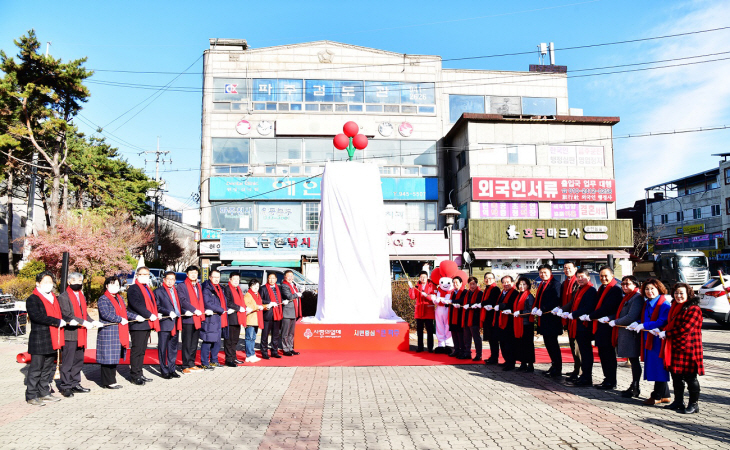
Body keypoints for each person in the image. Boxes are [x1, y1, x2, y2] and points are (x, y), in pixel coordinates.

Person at [660, 283, 704, 414]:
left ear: (688, 294)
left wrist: (667, 333)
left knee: (691, 377)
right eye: (676, 293)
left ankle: (694, 404)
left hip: (689, 348)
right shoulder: (675, 307)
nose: (678, 296)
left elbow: (685, 329)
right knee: (676, 376)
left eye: (681, 293)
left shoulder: (694, 309)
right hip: (675, 346)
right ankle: (678, 401)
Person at [628, 278, 671, 405]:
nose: (649, 291)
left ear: (659, 289)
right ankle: (665, 395)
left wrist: (645, 325)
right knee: (655, 367)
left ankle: (657, 395)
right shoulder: (648, 303)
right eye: (647, 289)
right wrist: (638, 323)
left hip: (658, 339)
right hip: (649, 338)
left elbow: (662, 321)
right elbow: (645, 318)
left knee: (659, 367)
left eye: (652, 288)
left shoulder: (663, 304)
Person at [25, 271, 66, 406]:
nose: (49, 285)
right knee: (36, 368)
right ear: (38, 283)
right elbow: (37, 317)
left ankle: (44, 393)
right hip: (39, 338)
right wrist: (56, 321)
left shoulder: (54, 297)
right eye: (45, 282)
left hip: (53, 337)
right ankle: (31, 394)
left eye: (50, 282)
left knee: (48, 368)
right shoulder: (33, 299)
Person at [58, 272, 98, 397]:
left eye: (80, 281)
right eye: (75, 281)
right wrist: (84, 322)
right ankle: (66, 386)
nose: (78, 284)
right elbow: (67, 315)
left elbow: (84, 313)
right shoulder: (64, 296)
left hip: (81, 333)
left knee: (78, 361)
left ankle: (75, 383)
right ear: (69, 282)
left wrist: (92, 321)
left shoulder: (81, 296)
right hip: (70, 333)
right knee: (68, 361)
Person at [97, 276, 136, 389]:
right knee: (107, 358)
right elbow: (106, 314)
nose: (115, 287)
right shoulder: (103, 299)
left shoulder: (119, 298)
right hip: (108, 332)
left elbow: (126, 313)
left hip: (118, 332)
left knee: (113, 358)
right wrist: (119, 319)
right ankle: (108, 382)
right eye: (112, 284)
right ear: (106, 285)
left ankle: (111, 380)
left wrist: (136, 317)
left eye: (117, 285)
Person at [589, 266, 623, 390]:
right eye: (601, 276)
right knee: (603, 354)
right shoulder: (602, 288)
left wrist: (591, 316)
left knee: (609, 355)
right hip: (600, 325)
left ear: (612, 276)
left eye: (606, 276)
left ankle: (611, 380)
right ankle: (606, 378)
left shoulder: (615, 289)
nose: (603, 278)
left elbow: (608, 307)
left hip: (608, 327)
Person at [609, 276, 644, 398]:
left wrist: (616, 321)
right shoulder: (627, 297)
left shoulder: (637, 298)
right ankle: (634, 385)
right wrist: (611, 318)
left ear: (635, 285)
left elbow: (631, 317)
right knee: (633, 360)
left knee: (634, 361)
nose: (624, 286)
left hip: (632, 334)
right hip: (625, 333)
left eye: (627, 284)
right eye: (623, 284)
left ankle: (635, 386)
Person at [562, 268, 597, 387]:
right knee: (583, 351)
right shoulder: (579, 290)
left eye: (583, 277)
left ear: (588, 278)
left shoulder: (591, 290)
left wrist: (574, 314)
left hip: (584, 325)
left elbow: (589, 307)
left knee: (586, 353)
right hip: (577, 325)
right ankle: (584, 376)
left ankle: (587, 377)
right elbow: (573, 304)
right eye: (578, 277)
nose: (580, 279)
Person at [126, 266, 159, 385]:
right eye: (142, 274)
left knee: (142, 351)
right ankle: (135, 375)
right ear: (137, 275)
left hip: (146, 323)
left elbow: (151, 303)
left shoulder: (147, 288)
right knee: (137, 350)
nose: (145, 276)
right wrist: (149, 314)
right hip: (138, 324)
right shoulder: (133, 289)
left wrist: (154, 313)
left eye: (147, 274)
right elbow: (136, 304)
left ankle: (139, 373)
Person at [532, 265, 562, 378]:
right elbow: (539, 298)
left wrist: (543, 309)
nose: (542, 274)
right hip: (544, 319)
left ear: (550, 272)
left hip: (552, 319)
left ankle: (557, 368)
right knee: (548, 344)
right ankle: (553, 365)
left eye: (545, 272)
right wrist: (535, 307)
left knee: (553, 344)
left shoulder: (555, 284)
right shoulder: (542, 284)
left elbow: (556, 299)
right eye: (540, 272)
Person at [176, 265, 205, 374]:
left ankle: (191, 363)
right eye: (191, 272)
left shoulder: (198, 285)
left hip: (197, 318)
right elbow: (182, 301)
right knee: (187, 343)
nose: (193, 274)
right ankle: (185, 365)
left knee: (194, 343)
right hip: (188, 318)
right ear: (187, 274)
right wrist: (193, 309)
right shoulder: (182, 286)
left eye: (195, 273)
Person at [154, 271, 182, 379]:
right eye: (168, 279)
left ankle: (172, 369)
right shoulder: (158, 291)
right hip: (165, 323)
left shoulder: (176, 291)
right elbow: (157, 306)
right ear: (164, 280)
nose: (170, 281)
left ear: (175, 281)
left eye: (172, 279)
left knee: (173, 348)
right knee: (162, 348)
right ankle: (164, 370)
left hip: (176, 322)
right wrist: (167, 312)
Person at [200, 270, 229, 369]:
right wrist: (221, 309)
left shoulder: (220, 288)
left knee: (217, 341)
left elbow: (223, 301)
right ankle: (204, 362)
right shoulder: (207, 288)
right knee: (208, 341)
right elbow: (207, 302)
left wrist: (226, 309)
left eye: (218, 277)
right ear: (210, 277)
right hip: (211, 318)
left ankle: (214, 360)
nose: (216, 279)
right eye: (214, 277)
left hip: (220, 318)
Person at [559, 262, 580, 380]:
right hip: (567, 317)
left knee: (577, 347)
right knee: (572, 345)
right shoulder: (565, 282)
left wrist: (562, 309)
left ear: (575, 269)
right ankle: (576, 369)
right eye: (565, 268)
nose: (567, 270)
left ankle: (579, 371)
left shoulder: (577, 282)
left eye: (569, 268)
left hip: (575, 318)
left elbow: (573, 301)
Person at [495, 275, 520, 371]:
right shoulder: (502, 293)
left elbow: (512, 305)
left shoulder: (514, 293)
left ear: (512, 283)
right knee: (502, 342)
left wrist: (501, 306)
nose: (506, 284)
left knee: (509, 343)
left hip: (510, 322)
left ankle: (511, 362)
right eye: (504, 282)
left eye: (508, 282)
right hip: (501, 321)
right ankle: (506, 360)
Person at [513, 277, 535, 372]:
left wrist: (520, 312)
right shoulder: (518, 296)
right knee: (520, 344)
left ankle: (530, 365)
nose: (521, 286)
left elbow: (531, 310)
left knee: (528, 345)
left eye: (524, 284)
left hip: (526, 324)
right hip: (519, 323)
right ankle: (523, 363)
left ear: (528, 285)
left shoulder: (529, 296)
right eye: (520, 284)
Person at [409, 271, 435, 353]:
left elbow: (434, 297)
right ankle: (420, 347)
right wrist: (411, 288)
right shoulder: (417, 286)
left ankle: (430, 347)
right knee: (419, 331)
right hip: (419, 311)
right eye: (421, 277)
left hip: (428, 311)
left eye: (424, 276)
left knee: (429, 331)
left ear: (427, 277)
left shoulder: (432, 286)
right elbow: (413, 297)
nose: (423, 278)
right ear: (419, 278)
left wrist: (427, 296)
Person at [224, 273, 246, 366]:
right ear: (230, 279)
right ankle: (229, 359)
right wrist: (238, 307)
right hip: (231, 317)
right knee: (229, 340)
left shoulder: (238, 289)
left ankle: (234, 357)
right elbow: (227, 301)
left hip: (238, 317)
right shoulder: (227, 289)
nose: (236, 281)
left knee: (235, 340)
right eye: (234, 279)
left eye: (238, 279)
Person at [260, 273, 284, 359]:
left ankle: (274, 351)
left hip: (277, 314)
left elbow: (281, 298)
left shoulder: (279, 288)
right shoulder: (263, 288)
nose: (271, 280)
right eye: (270, 278)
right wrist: (269, 303)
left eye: (273, 278)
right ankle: (264, 352)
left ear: (276, 279)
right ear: (267, 279)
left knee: (276, 335)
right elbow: (260, 300)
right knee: (265, 335)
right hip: (268, 314)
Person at [280, 270, 303, 356]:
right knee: (285, 332)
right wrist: (297, 294)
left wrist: (300, 292)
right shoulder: (284, 285)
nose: (290, 278)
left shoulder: (293, 285)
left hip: (294, 311)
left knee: (291, 333)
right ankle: (285, 349)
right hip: (287, 312)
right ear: (285, 277)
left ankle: (290, 347)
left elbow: (297, 296)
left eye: (291, 276)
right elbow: (289, 296)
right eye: (288, 276)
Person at [480, 273, 501, 365]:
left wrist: (482, 303)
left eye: (490, 278)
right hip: (487, 317)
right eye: (486, 278)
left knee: (494, 339)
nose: (488, 280)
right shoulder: (487, 289)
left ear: (494, 279)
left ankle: (494, 358)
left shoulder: (495, 289)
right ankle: (493, 356)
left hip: (493, 317)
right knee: (491, 339)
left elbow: (492, 301)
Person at [462, 277, 483, 361]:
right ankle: (467, 352)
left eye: (474, 284)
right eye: (470, 284)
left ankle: (479, 354)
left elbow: (479, 303)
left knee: (476, 337)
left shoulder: (480, 293)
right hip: (467, 317)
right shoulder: (468, 293)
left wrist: (470, 305)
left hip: (475, 318)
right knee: (467, 337)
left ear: (476, 284)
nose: (472, 286)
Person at [242, 279, 263, 363]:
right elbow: (249, 305)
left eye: (257, 286)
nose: (256, 288)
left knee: (253, 338)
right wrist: (258, 307)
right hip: (250, 320)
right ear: (250, 286)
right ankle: (249, 355)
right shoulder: (248, 295)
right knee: (249, 338)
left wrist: (266, 306)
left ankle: (252, 354)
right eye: (254, 286)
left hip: (256, 320)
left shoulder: (257, 294)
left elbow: (259, 305)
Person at [448, 276, 466, 358]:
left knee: (460, 334)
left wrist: (451, 301)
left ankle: (462, 350)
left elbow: (462, 300)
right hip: (452, 315)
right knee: (454, 334)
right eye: (454, 283)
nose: (455, 284)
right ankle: (456, 349)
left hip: (460, 315)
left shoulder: (464, 291)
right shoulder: (452, 292)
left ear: (461, 283)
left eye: (457, 283)